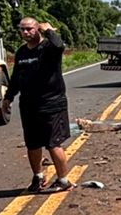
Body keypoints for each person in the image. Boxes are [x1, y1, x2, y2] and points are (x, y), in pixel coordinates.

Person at [4, 19, 72, 192]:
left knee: (53, 144)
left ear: (38, 29)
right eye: (22, 30)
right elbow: (15, 79)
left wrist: (48, 30)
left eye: (29, 29)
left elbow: (59, 46)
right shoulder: (21, 53)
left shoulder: (49, 48)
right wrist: (8, 98)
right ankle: (38, 177)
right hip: (29, 106)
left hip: (51, 104)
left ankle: (63, 180)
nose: (26, 32)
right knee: (32, 144)